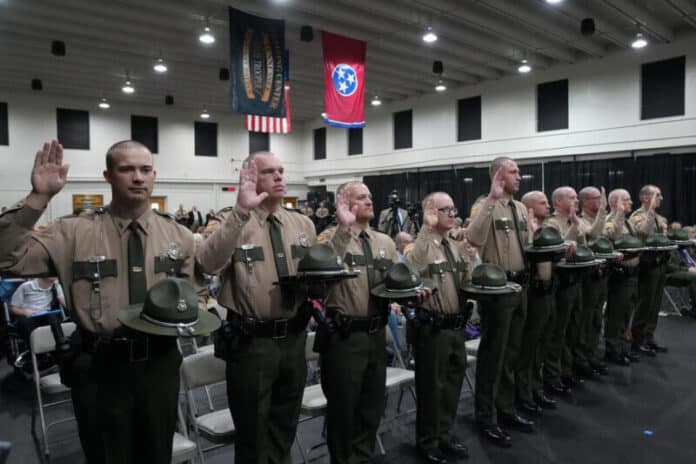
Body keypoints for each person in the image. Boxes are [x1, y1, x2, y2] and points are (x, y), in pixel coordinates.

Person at [0, 139, 199, 464]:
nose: (138, 177)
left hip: (159, 366)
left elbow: (192, 295)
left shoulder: (179, 236)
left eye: (145, 169)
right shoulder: (72, 233)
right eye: (127, 169)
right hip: (101, 368)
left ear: (154, 175)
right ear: (108, 175)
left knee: (157, 456)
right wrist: (38, 198)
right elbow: (7, 259)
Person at [195, 151, 316, 463]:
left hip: (294, 338)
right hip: (252, 344)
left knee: (285, 428)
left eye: (281, 170)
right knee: (252, 434)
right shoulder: (230, 220)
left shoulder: (302, 223)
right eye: (268, 171)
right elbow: (208, 264)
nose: (279, 176)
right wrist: (240, 212)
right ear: (249, 177)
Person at [315, 181, 396, 463]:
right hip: (344, 337)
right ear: (344, 203)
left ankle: (363, 457)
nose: (370, 201)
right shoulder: (328, 238)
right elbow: (322, 272)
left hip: (376, 334)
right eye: (361, 197)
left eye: (370, 196)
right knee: (343, 410)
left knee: (371, 407)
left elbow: (393, 285)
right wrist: (343, 228)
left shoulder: (385, 242)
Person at [466, 156, 534, 446]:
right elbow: (472, 238)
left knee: (512, 354)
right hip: (498, 291)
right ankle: (486, 417)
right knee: (493, 356)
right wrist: (492, 200)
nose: (519, 176)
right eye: (513, 172)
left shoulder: (520, 208)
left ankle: (506, 409)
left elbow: (527, 245)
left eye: (519, 172)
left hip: (521, 286)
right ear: (498, 176)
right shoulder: (485, 205)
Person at [404, 191, 471, 463]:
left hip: (456, 326)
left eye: (453, 208)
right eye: (445, 209)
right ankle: (427, 441)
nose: (452, 214)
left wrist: (469, 259)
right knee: (432, 388)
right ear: (431, 213)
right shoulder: (420, 245)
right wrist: (425, 227)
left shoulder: (453, 245)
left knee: (452, 385)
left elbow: (465, 281)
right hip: (433, 329)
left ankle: (444, 434)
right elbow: (413, 268)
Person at [516, 191, 563, 415]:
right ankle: (524, 393)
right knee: (529, 347)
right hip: (534, 293)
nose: (548, 206)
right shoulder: (525, 230)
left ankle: (537, 387)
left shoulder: (547, 229)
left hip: (549, 291)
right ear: (530, 208)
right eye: (543, 203)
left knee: (543, 343)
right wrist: (532, 236)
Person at [543, 186, 586, 393]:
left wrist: (576, 223)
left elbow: (583, 246)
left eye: (577, 197)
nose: (576, 200)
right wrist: (574, 225)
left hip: (576, 279)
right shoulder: (551, 223)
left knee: (573, 328)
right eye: (572, 197)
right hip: (561, 283)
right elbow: (561, 249)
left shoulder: (573, 220)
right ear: (558, 202)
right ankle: (553, 375)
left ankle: (567, 370)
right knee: (558, 332)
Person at [630, 185, 669, 355]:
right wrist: (651, 211)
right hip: (647, 264)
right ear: (646, 198)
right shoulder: (637, 216)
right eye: (657, 195)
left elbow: (662, 240)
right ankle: (637, 340)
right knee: (644, 304)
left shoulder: (659, 217)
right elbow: (643, 232)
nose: (661, 198)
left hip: (659, 263)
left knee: (655, 305)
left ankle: (649, 337)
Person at [603, 189, 641, 365]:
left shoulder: (628, 222)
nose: (631, 202)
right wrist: (618, 213)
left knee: (626, 314)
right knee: (616, 314)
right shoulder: (610, 220)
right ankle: (613, 349)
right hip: (619, 274)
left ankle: (623, 347)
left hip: (633, 274)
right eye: (626, 200)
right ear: (614, 203)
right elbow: (613, 236)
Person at [577, 186, 609, 377]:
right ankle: (582, 359)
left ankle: (592, 354)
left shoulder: (601, 219)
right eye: (597, 198)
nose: (601, 201)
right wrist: (604, 210)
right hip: (588, 277)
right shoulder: (580, 221)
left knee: (597, 319)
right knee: (586, 320)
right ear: (586, 201)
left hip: (602, 274)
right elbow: (594, 235)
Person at [10, 277, 65, 341]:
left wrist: (58, 287)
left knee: (53, 316)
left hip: (45, 315)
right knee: (27, 322)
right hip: (28, 316)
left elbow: (63, 302)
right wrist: (25, 312)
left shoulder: (56, 286)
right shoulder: (26, 286)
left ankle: (61, 342)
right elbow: (13, 308)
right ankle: (34, 345)